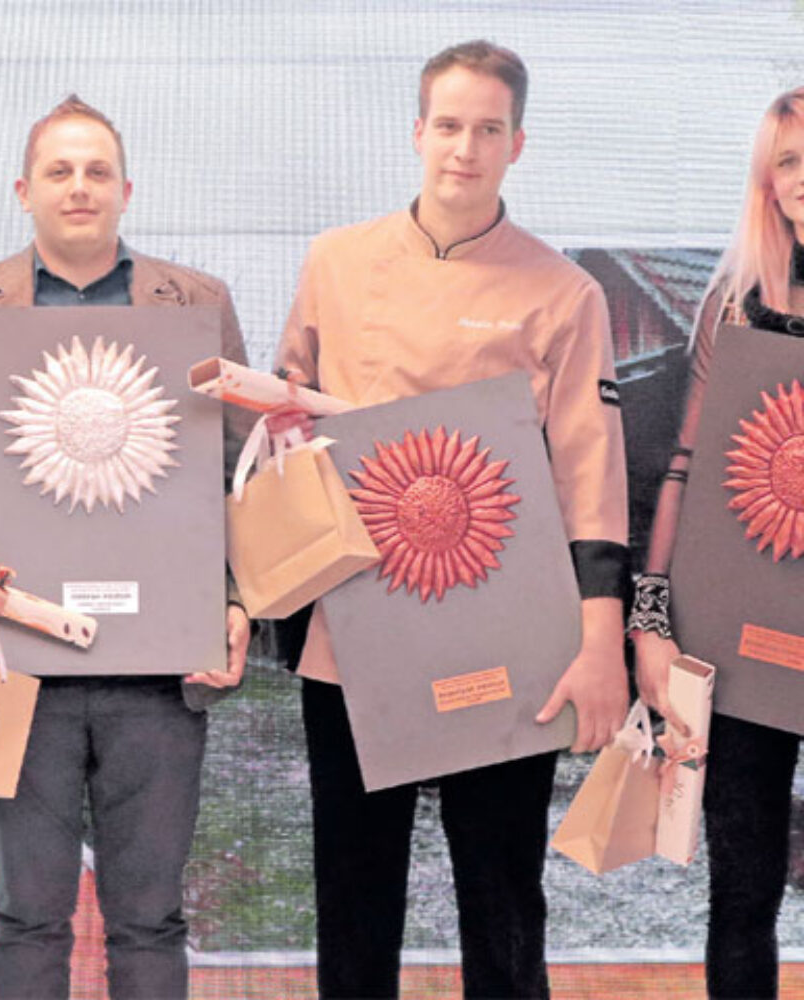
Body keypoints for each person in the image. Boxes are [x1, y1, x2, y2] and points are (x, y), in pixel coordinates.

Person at [274, 41, 631, 997]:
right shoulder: (335, 263)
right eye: (448, 126)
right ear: (416, 133)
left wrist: (601, 646)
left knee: (502, 891)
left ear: (519, 144)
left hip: (501, 638)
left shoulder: (565, 295)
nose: (464, 149)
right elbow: (285, 415)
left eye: (488, 129)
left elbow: (591, 479)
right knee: (354, 891)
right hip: (355, 631)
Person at [0, 95, 253, 1000]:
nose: (79, 187)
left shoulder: (199, 304)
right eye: (60, 171)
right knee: (26, 916)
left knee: (151, 919)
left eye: (96, 171)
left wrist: (236, 602)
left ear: (127, 189)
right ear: (24, 191)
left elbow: (244, 476)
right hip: (16, 662)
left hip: (162, 670)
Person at [631, 86, 804, 1000]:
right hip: (745, 641)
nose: (802, 178)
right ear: (766, 184)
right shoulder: (732, 305)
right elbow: (689, 466)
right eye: (787, 161)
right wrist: (652, 617)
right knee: (742, 892)